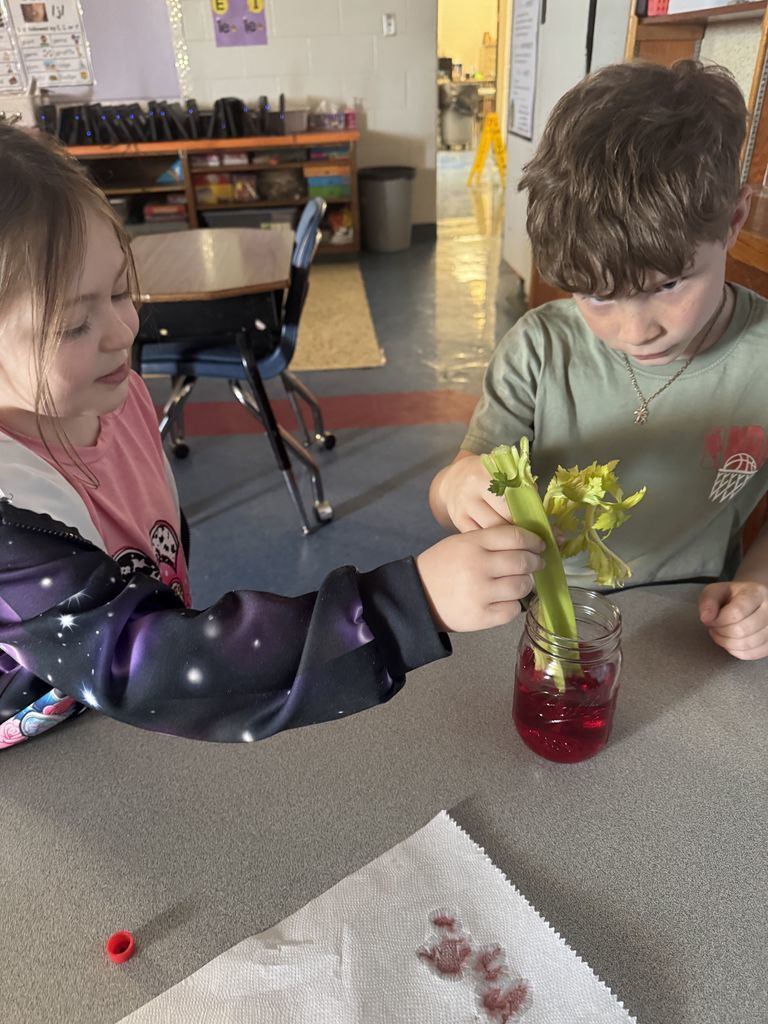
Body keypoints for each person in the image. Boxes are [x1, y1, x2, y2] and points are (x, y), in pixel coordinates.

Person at [0, 123, 545, 750]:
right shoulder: (11, 520)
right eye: (73, 325)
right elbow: (153, 663)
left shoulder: (113, 396)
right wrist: (407, 605)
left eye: (123, 290)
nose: (124, 330)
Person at [429, 60, 768, 661]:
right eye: (596, 296)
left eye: (669, 285)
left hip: (694, 616)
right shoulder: (539, 349)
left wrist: (759, 584)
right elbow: (460, 479)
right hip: (544, 610)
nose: (636, 331)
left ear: (735, 219)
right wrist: (456, 486)